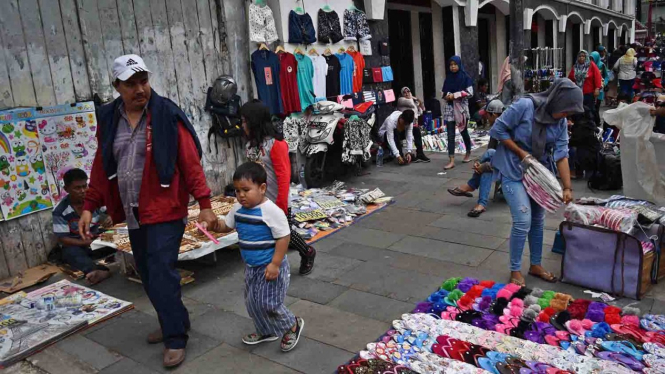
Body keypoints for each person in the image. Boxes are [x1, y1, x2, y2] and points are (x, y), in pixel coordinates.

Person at [78, 54, 217, 368]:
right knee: (146, 270)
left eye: (143, 81)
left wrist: (205, 205)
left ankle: (176, 339)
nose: (140, 89)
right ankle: (175, 321)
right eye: (131, 84)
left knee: (160, 272)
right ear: (117, 86)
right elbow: (102, 165)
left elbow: (189, 161)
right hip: (132, 211)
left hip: (166, 209)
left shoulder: (165, 114)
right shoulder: (110, 118)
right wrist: (89, 206)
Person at [202, 162, 304, 352]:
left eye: (246, 190)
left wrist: (275, 264)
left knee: (268, 302)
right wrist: (215, 226)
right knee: (252, 302)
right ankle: (266, 330)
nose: (240, 195)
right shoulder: (237, 209)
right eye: (237, 190)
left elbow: (284, 236)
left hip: (270, 267)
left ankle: (292, 324)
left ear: (262, 188)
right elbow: (227, 225)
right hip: (252, 267)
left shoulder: (272, 211)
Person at [489, 78, 581, 286]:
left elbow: (562, 154)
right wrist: (521, 152)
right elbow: (498, 129)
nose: (566, 116)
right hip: (513, 167)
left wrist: (567, 187)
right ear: (557, 100)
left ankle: (536, 265)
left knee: (538, 219)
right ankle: (515, 270)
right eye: (565, 110)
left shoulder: (560, 123)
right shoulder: (525, 106)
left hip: (538, 172)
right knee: (523, 220)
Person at [241, 100, 317, 274]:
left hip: (277, 200)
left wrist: (281, 206)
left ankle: (308, 252)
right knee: (271, 236)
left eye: (245, 121)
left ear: (255, 121)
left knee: (285, 235)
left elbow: (284, 178)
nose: (242, 125)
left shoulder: (276, 144)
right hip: (259, 201)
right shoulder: (251, 145)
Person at [52, 168, 112, 284]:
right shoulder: (60, 210)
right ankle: (97, 271)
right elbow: (63, 239)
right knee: (70, 253)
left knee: (121, 238)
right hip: (79, 245)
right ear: (66, 189)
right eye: (77, 188)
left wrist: (111, 216)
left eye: (85, 186)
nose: (83, 191)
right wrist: (86, 243)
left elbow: (112, 210)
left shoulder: (94, 201)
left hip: (97, 240)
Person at [447, 99, 504, 218]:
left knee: (489, 159)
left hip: (512, 165)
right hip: (498, 162)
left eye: (487, 116)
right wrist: (480, 163)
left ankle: (471, 186)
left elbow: (505, 155)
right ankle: (481, 203)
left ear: (493, 115)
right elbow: (492, 150)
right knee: (487, 164)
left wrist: (484, 164)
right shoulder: (496, 128)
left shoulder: (506, 128)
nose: (486, 119)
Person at [442, 56, 474, 169]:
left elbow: (470, 93)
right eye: (451, 65)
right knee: (450, 134)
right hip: (450, 109)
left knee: (463, 131)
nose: (453, 67)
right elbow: (444, 93)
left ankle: (468, 152)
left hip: (461, 109)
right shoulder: (448, 78)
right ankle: (451, 160)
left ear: (459, 65)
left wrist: (455, 95)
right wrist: (447, 96)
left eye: (455, 64)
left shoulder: (465, 78)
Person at [397, 87, 430, 162]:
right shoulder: (401, 100)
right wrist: (413, 98)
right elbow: (411, 104)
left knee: (416, 131)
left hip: (410, 126)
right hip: (400, 128)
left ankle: (420, 153)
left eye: (408, 91)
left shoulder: (412, 100)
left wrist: (417, 100)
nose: (407, 93)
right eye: (404, 92)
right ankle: (401, 156)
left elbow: (422, 109)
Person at [568, 50, 601, 121]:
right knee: (578, 110)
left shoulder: (591, 65)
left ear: (586, 57)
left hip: (588, 92)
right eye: (579, 56)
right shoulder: (575, 66)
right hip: (577, 93)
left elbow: (597, 76)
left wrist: (597, 88)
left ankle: (589, 125)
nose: (581, 58)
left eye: (583, 56)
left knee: (588, 110)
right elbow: (570, 78)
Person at [590, 51, 608, 127]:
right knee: (591, 107)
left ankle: (597, 122)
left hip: (599, 89)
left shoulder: (602, 65)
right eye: (590, 58)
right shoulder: (588, 65)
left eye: (593, 59)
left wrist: (604, 83)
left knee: (596, 107)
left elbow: (606, 76)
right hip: (591, 88)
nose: (591, 60)